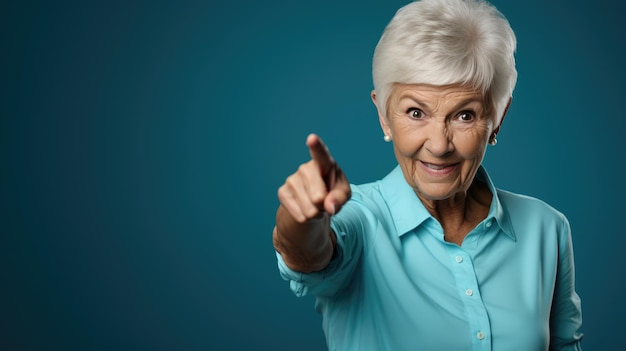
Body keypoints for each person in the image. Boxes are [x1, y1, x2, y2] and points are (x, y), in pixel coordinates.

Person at [272, 0, 583, 349]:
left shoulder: (546, 228)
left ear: (499, 117)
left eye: (465, 115)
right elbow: (308, 252)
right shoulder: (359, 219)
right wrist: (304, 219)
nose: (438, 145)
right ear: (383, 115)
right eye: (416, 112)